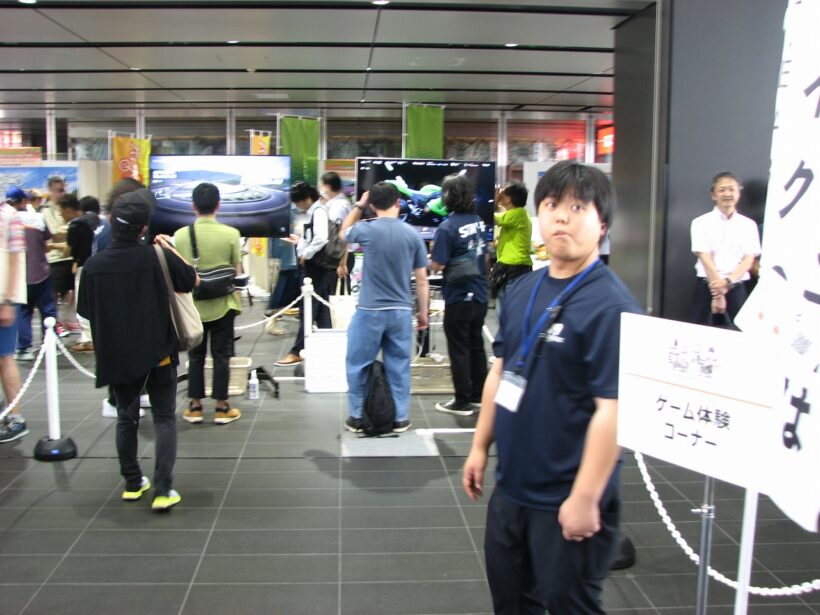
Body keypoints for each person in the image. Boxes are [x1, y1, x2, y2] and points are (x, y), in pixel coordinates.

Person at [463, 161, 642, 614]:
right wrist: (480, 446)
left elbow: (613, 410)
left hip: (567, 496)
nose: (562, 216)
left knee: (570, 606)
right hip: (512, 487)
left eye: (578, 207)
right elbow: (501, 371)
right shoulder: (522, 290)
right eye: (552, 204)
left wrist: (585, 498)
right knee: (511, 604)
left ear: (602, 224)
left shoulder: (612, 306)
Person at [78, 189, 196, 510]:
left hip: (118, 355)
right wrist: (170, 248)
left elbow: (86, 311)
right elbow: (189, 280)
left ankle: (132, 483)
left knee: (125, 418)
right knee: (164, 418)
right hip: (158, 351)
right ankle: (163, 490)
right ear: (144, 227)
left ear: (111, 221)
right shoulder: (157, 256)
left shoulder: (93, 266)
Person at [339, 182, 429, 433]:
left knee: (358, 364)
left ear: (372, 205)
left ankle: (357, 417)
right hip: (401, 312)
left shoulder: (365, 229)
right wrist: (422, 313)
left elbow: (342, 233)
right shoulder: (413, 234)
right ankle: (400, 418)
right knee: (399, 366)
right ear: (398, 202)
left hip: (370, 311)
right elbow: (422, 280)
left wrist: (358, 206)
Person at [173, 182, 242, 425]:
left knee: (196, 356)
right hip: (224, 304)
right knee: (222, 356)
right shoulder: (232, 234)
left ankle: (195, 406)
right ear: (218, 205)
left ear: (193, 206)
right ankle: (222, 407)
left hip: (193, 306)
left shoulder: (180, 235)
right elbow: (237, 270)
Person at [430, 174, 488, 416]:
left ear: (448, 196)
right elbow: (484, 256)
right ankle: (478, 395)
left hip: (459, 295)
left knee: (459, 348)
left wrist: (432, 255)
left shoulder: (447, 227)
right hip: (480, 293)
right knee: (476, 344)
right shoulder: (479, 221)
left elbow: (438, 265)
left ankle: (461, 401)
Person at [274, 182, 337, 367]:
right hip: (317, 266)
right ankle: (329, 348)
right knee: (321, 310)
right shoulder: (316, 211)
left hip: (314, 266)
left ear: (306, 198)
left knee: (308, 309)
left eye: (298, 201)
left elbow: (321, 238)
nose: (297, 205)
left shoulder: (318, 211)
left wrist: (305, 254)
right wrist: (300, 241)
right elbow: (314, 237)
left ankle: (297, 351)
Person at [690, 171, 761, 325]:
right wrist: (718, 294)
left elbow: (748, 259)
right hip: (708, 287)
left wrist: (728, 282)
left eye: (731, 189)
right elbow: (705, 257)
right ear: (713, 195)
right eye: (722, 190)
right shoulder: (700, 222)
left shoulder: (748, 225)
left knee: (739, 332)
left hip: (736, 288)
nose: (727, 194)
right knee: (698, 333)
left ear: (738, 193)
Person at [7, 187, 58, 362]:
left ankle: (24, 348)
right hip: (41, 271)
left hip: (19, 275)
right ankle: (50, 345)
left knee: (23, 311)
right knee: (48, 309)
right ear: (24, 201)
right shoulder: (38, 218)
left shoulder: (6, 221)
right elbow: (46, 243)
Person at [265, 181, 316, 334]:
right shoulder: (288, 213)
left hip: (297, 257)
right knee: (280, 290)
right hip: (288, 258)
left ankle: (305, 320)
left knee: (297, 290)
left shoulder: (301, 211)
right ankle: (272, 321)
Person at [0, 190, 29, 443]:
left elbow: (15, 259)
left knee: (5, 358)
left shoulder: (9, 216)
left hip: (3, 300)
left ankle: (16, 417)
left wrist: (8, 301)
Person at [60, 194, 97, 352]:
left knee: (81, 304)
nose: (61, 214)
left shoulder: (75, 225)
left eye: (62, 211)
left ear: (68, 209)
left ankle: (87, 339)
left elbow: (68, 250)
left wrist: (57, 247)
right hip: (96, 265)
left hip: (82, 267)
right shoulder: (93, 221)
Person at [491, 181, 533, 299]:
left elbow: (489, 218)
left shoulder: (517, 213)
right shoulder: (520, 214)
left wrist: (495, 199)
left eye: (502, 194)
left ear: (508, 199)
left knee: (508, 303)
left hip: (514, 267)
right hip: (517, 266)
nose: (500, 195)